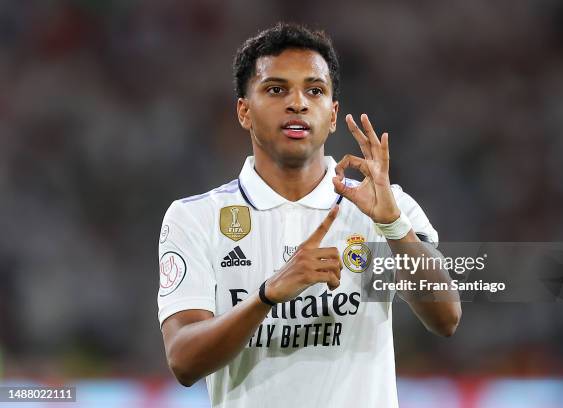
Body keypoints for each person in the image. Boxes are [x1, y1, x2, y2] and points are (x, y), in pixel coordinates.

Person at [157, 22, 461, 408]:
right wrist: (267, 296)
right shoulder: (195, 218)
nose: (298, 102)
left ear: (332, 115)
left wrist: (394, 226)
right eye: (276, 89)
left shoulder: (383, 206)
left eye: (314, 90)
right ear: (244, 111)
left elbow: (446, 318)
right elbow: (183, 360)